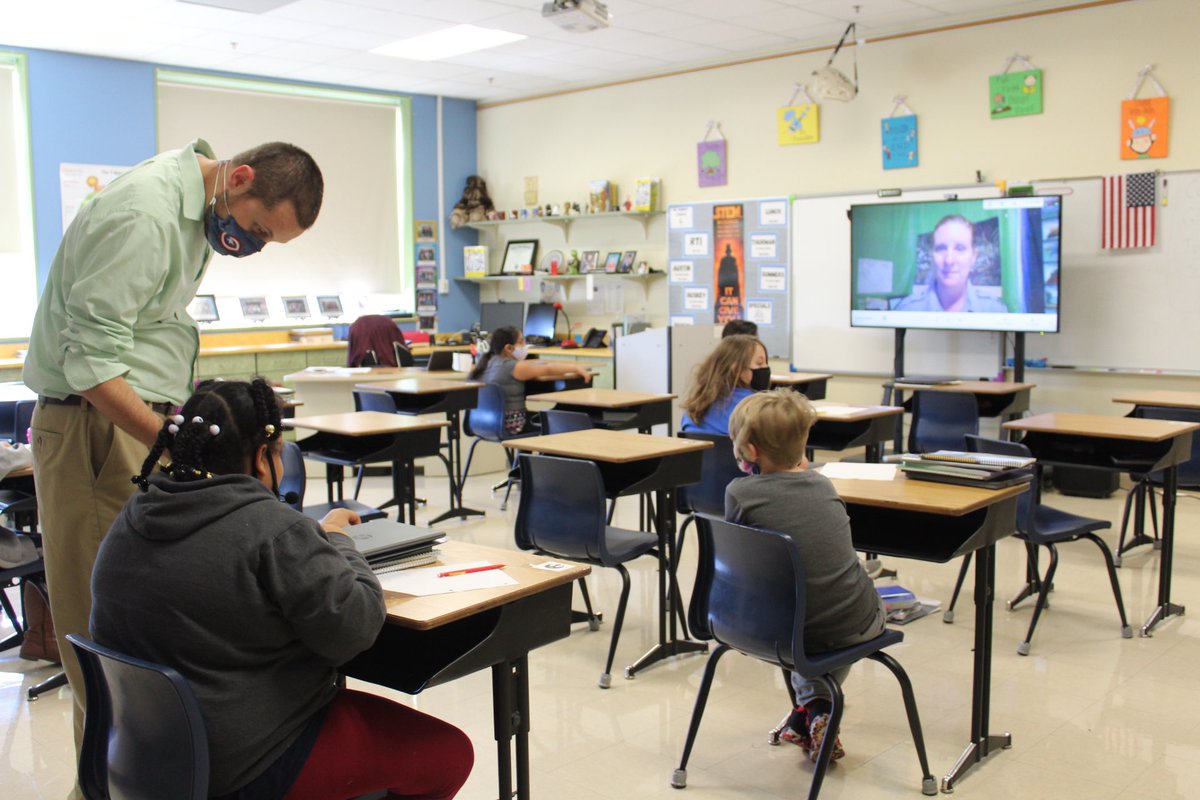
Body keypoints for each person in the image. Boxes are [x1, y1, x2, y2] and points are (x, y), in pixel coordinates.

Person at [22, 139, 324, 785]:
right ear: (238, 179)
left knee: (158, 625)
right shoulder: (145, 214)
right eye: (256, 230)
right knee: (112, 639)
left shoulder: (188, 212)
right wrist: (171, 441)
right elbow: (92, 364)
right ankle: (102, 789)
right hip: (99, 427)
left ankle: (146, 783)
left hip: (133, 423)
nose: (252, 246)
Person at [90, 379, 472, 799]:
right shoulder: (273, 531)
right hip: (247, 763)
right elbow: (358, 625)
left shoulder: (134, 513)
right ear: (261, 458)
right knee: (449, 753)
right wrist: (336, 540)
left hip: (147, 759)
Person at [725, 389, 885, 764]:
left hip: (774, 629)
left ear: (748, 451)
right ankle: (815, 709)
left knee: (802, 621)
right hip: (852, 624)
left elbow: (742, 564)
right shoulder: (824, 485)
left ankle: (812, 707)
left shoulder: (739, 494)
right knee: (840, 609)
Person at [468, 326, 595, 434]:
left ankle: (523, 461)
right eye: (521, 342)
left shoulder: (483, 364)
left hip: (479, 423)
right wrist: (576, 368)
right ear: (508, 348)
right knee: (560, 422)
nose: (525, 346)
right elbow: (548, 369)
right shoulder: (515, 366)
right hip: (512, 425)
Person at [894, 215, 1007, 313]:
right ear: (932, 256)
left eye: (959, 248)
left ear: (973, 258)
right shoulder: (907, 309)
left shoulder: (994, 310)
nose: (949, 260)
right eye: (941, 248)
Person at [680, 334, 769, 435]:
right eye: (759, 363)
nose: (766, 367)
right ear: (737, 370)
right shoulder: (755, 406)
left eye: (766, 362)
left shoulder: (695, 407)